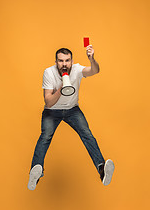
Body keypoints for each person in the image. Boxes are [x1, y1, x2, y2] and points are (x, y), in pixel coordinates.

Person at [28, 45, 115, 190]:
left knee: (87, 135)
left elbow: (95, 70)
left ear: (71, 61)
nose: (64, 64)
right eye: (61, 61)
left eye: (67, 61)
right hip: (52, 111)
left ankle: (102, 169)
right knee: (45, 137)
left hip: (72, 109)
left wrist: (92, 59)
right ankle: (35, 172)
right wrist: (63, 86)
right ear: (56, 62)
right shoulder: (48, 73)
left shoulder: (77, 69)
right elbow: (48, 101)